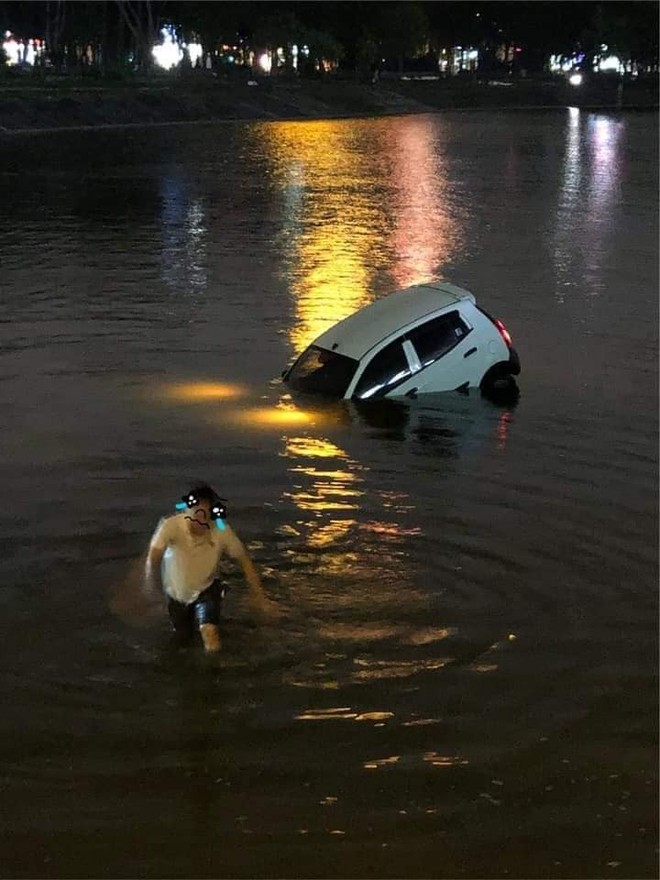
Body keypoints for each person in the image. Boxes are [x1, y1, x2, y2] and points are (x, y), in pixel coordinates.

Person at [145, 483, 278, 653]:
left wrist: (259, 596)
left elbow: (243, 559)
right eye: (196, 514)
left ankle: (214, 674)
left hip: (207, 589)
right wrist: (151, 587)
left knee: (210, 633)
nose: (200, 521)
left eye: (206, 515)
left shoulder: (221, 529)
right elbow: (154, 555)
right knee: (182, 638)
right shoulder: (171, 526)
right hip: (176, 593)